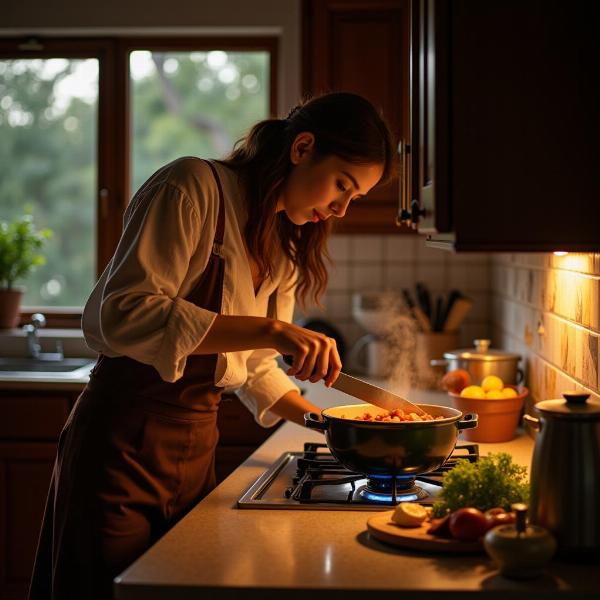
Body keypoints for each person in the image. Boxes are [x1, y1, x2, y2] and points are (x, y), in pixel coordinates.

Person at [28, 91, 394, 600]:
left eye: (353, 199)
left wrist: (329, 425)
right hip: (121, 444)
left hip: (198, 449)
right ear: (303, 147)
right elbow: (121, 314)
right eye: (342, 186)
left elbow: (258, 367)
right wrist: (269, 331)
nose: (340, 210)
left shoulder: (285, 243)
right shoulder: (191, 186)